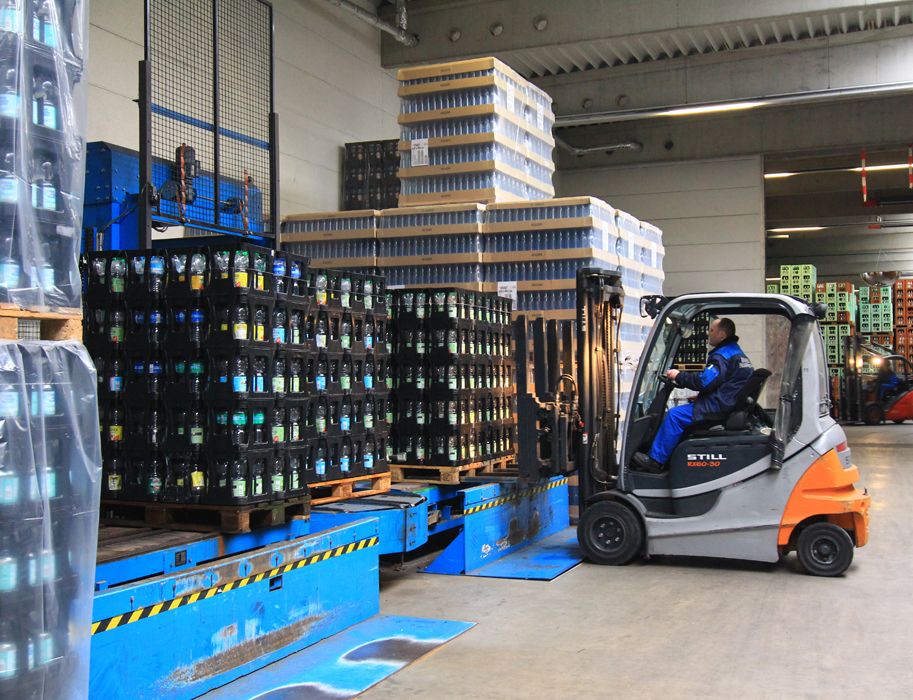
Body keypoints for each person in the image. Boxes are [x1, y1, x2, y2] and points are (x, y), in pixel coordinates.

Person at [632, 317, 754, 474]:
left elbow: (704, 381)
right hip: (726, 403)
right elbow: (728, 384)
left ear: (722, 335)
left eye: (712, 330)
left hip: (718, 407)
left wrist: (678, 376)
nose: (708, 334)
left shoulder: (722, 356)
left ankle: (655, 461)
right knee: (680, 414)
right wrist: (702, 396)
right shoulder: (737, 353)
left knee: (674, 416)